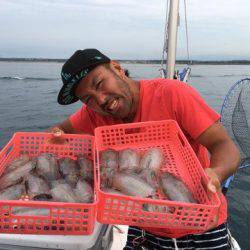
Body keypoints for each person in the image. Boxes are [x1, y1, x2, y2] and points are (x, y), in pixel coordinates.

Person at [50, 49, 240, 249]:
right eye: (88, 98)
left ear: (117, 68)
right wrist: (56, 136)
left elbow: (225, 146)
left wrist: (216, 174)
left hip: (200, 226)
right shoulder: (92, 114)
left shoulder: (173, 93)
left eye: (99, 83)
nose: (100, 100)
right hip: (144, 224)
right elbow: (59, 132)